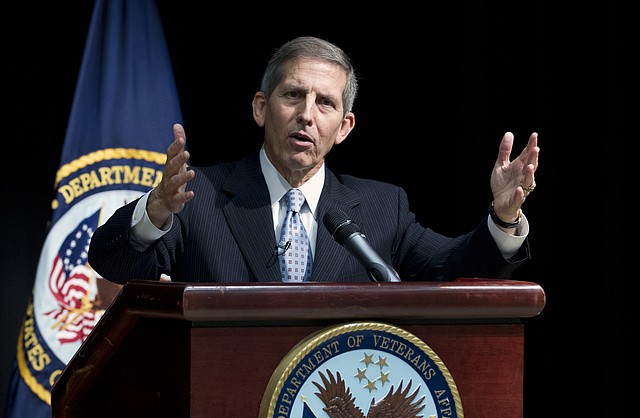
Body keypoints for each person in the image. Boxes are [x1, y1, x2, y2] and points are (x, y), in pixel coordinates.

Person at [88, 36, 539, 285]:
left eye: (325, 103)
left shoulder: (383, 208)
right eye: (293, 95)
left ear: (344, 127)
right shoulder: (199, 196)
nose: (306, 113)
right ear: (261, 108)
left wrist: (503, 217)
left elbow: (456, 267)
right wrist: (156, 211)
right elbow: (114, 264)